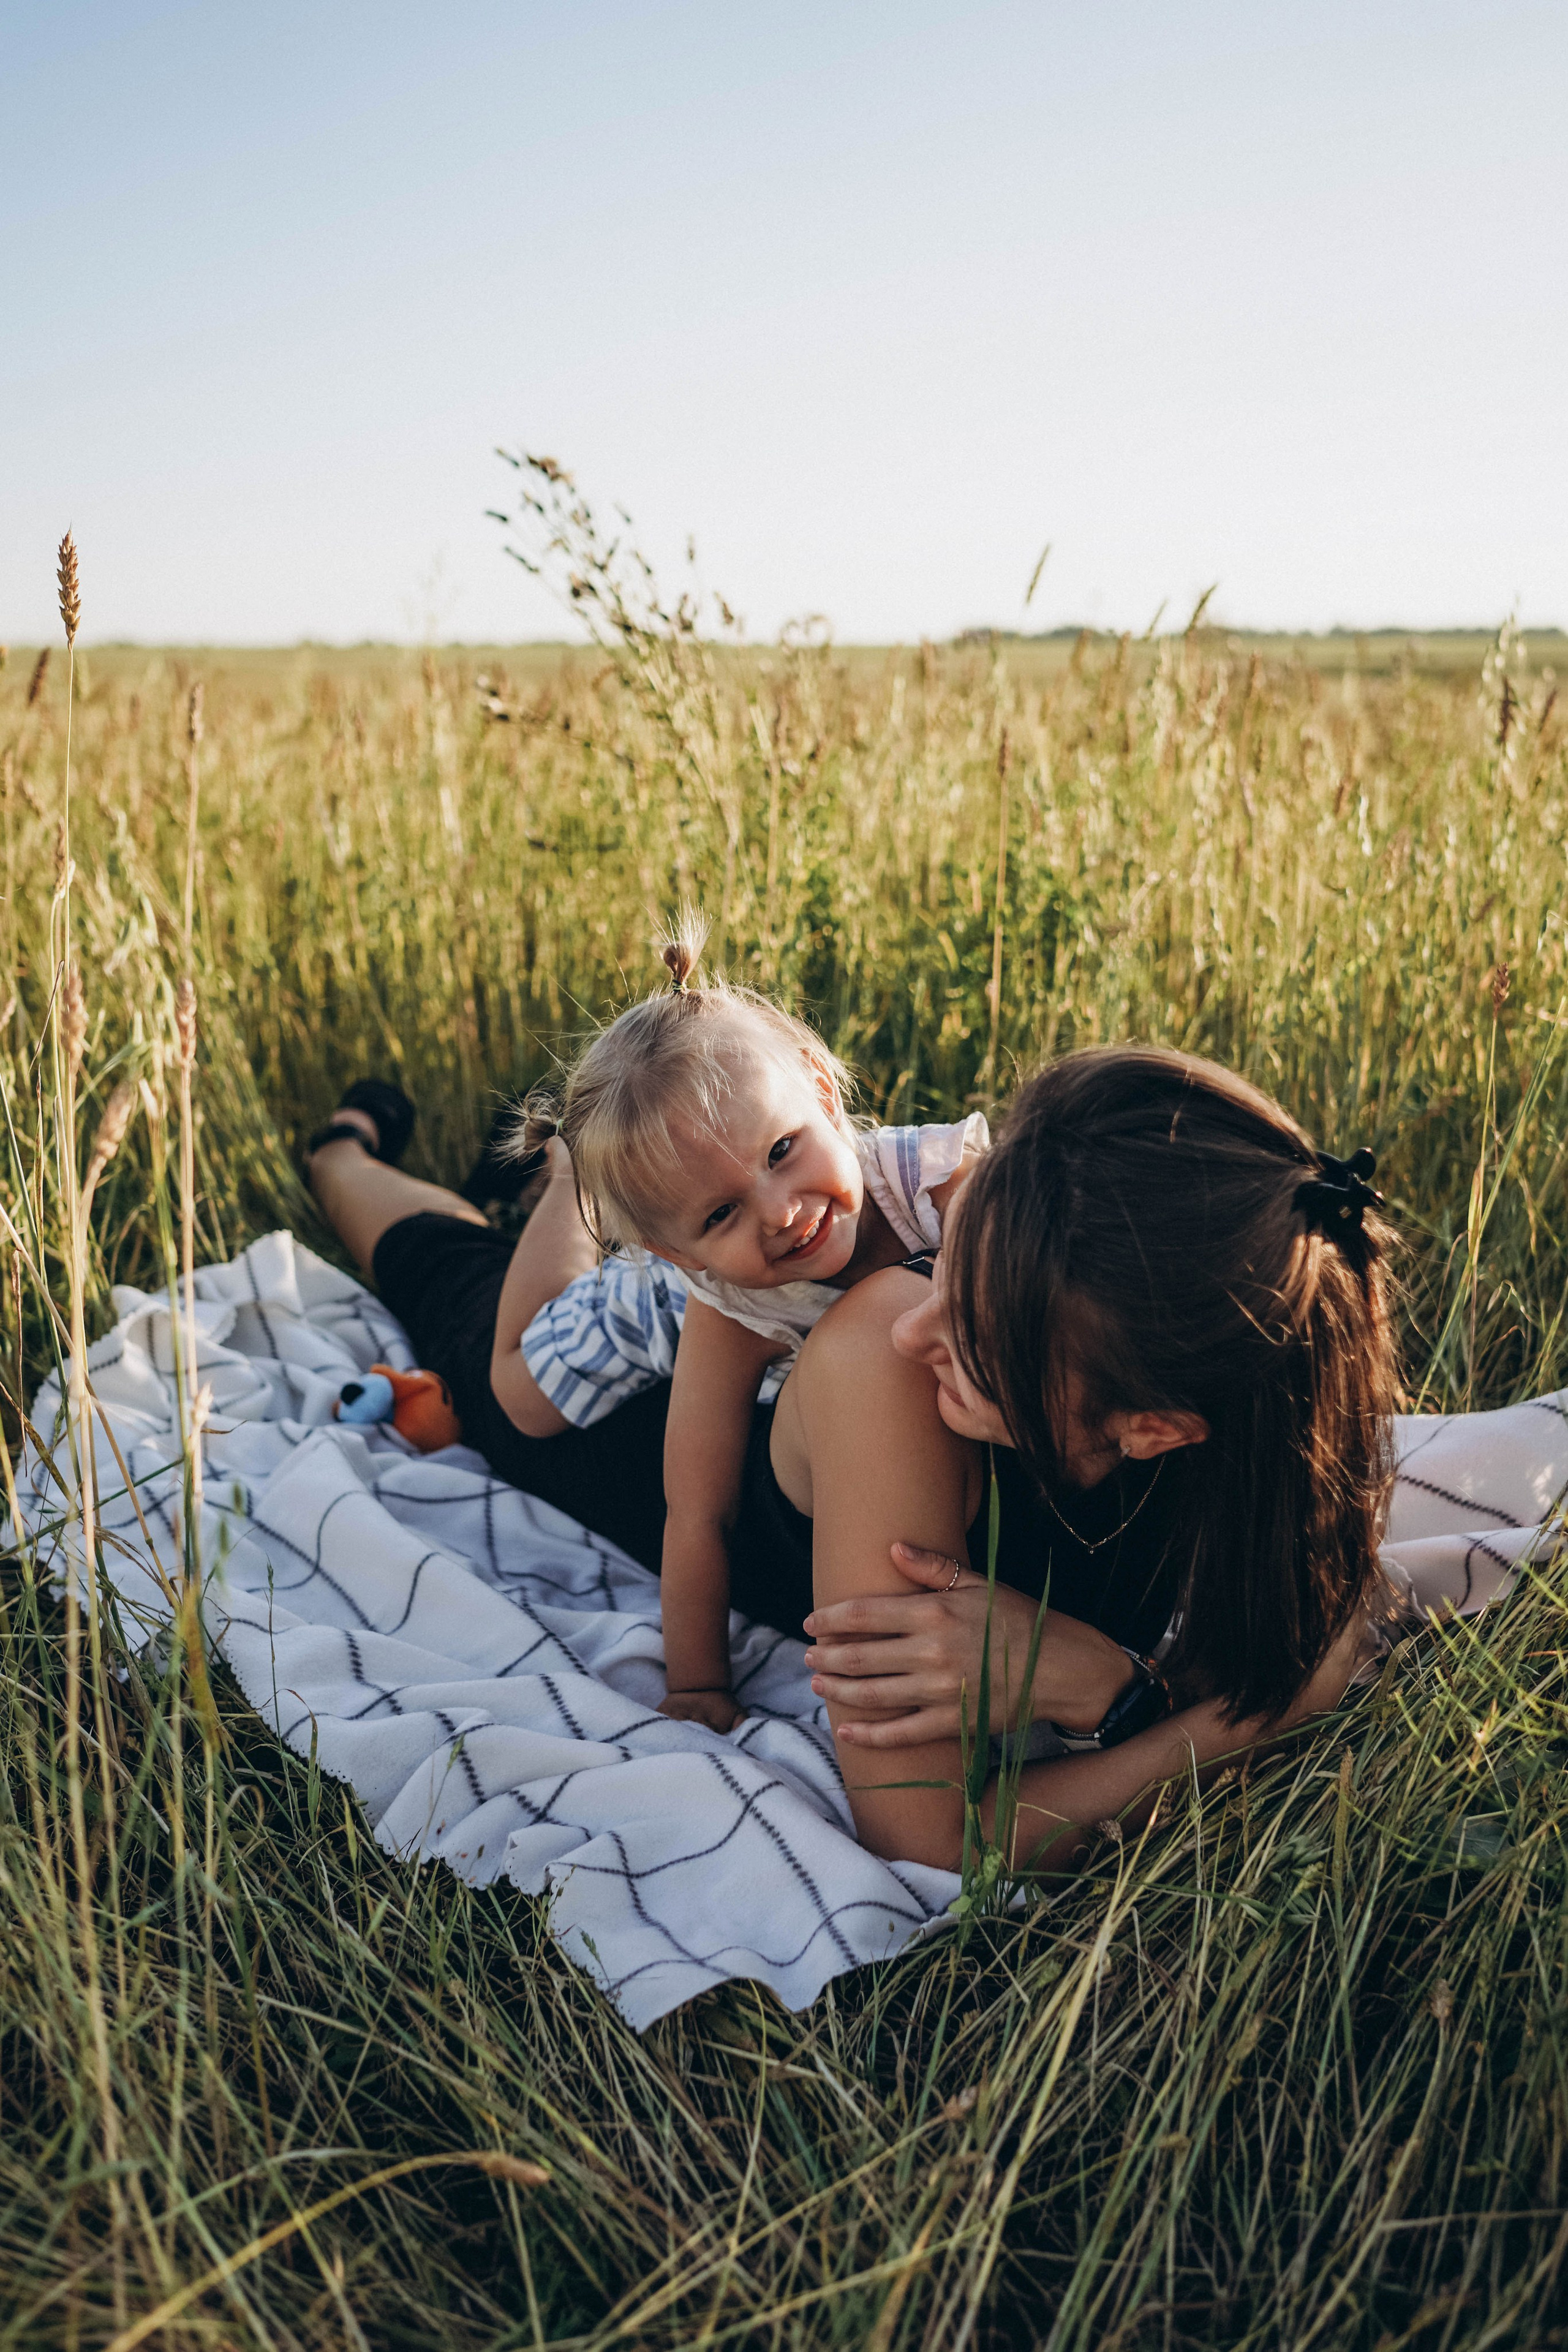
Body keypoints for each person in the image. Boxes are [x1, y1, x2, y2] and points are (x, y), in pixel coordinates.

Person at [782, 1045, 1399, 1869]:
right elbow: (927, 1838)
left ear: (1156, 1430)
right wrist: (1259, 1724)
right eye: (945, 1257)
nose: (912, 1329)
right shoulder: (879, 1365)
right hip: (629, 1463)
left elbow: (1314, 1631)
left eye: (977, 1339)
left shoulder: (1262, 1411)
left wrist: (1105, 1685)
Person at [486, 922, 985, 1729]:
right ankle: (571, 1181)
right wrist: (697, 1684)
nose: (782, 1212)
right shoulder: (720, 1304)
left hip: (768, 1308)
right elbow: (697, 1512)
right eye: (722, 1211)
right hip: (655, 1310)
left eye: (782, 1149)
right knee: (521, 1394)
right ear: (677, 1251)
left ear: (822, 1089)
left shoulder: (943, 1186)